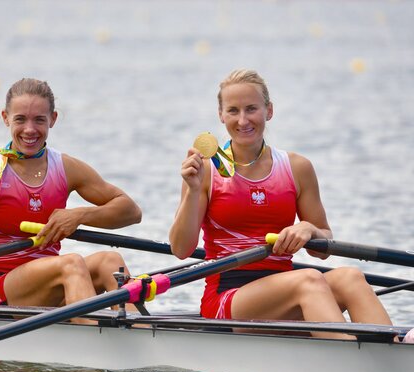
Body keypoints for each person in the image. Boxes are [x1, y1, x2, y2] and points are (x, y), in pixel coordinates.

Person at [168, 69, 393, 340]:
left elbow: (323, 248)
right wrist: (192, 191)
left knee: (351, 277)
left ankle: (394, 352)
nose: (242, 120)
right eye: (233, 111)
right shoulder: (205, 171)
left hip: (287, 286)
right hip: (228, 296)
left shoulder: (298, 168)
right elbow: (181, 250)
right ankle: (351, 368)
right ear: (221, 115)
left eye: (251, 109)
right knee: (308, 280)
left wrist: (308, 229)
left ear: (269, 111)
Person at [0, 78, 142, 316]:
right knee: (71, 263)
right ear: (5, 118)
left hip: (52, 280)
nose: (29, 129)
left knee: (112, 262)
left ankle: (140, 335)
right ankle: (92, 341)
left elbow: (131, 211)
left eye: (39, 120)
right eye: (20, 119)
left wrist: (80, 215)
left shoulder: (66, 167)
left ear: (53, 119)